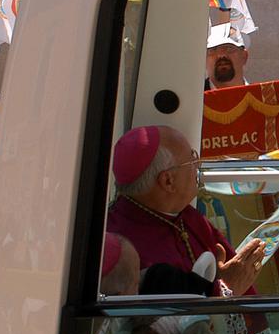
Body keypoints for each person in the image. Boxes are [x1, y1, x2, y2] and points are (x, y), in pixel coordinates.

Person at [104, 125, 268, 295]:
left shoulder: (179, 211)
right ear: (168, 181)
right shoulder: (125, 252)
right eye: (191, 160)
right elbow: (166, 320)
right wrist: (226, 290)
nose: (197, 165)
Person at [206, 23, 249, 90]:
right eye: (213, 50)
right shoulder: (190, 99)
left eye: (229, 49)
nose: (221, 55)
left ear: (244, 56)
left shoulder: (263, 98)